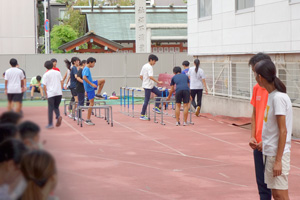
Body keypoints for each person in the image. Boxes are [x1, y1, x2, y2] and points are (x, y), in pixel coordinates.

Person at [255, 59, 293, 200]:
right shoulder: (272, 96)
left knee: (281, 195)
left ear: (260, 77)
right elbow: (273, 129)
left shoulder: (278, 98)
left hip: (278, 154)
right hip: (271, 152)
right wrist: (264, 143)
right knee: (276, 194)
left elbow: (283, 130)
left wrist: (278, 161)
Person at [248, 53, 272, 200]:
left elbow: (280, 124)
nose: (256, 77)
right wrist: (252, 136)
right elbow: (254, 113)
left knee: (276, 188)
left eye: (256, 73)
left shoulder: (276, 91)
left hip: (271, 145)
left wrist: (267, 140)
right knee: (261, 185)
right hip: (258, 144)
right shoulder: (257, 88)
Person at [139, 54, 163, 120]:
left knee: (159, 93)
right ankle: (142, 114)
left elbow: (140, 76)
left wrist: (144, 81)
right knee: (146, 100)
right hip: (148, 86)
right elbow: (150, 76)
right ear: (151, 60)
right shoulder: (149, 67)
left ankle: (156, 107)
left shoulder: (144, 66)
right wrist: (158, 82)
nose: (155, 63)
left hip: (150, 85)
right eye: (154, 61)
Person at [42, 60, 63, 129]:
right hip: (59, 93)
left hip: (51, 93)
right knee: (56, 106)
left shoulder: (46, 74)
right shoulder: (58, 72)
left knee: (50, 108)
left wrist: (46, 93)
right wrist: (61, 89)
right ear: (52, 65)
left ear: (45, 67)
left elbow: (44, 86)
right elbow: (61, 81)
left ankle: (50, 124)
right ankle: (58, 116)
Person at [82, 57, 98, 125]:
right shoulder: (86, 68)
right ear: (90, 62)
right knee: (91, 104)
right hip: (90, 88)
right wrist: (91, 84)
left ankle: (99, 93)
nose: (94, 65)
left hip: (89, 87)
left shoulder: (86, 68)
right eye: (94, 63)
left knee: (102, 81)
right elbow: (84, 78)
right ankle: (88, 119)